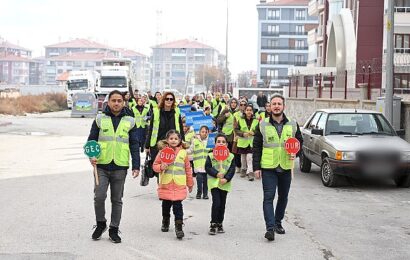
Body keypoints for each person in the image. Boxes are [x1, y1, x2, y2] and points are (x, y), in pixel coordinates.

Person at [87, 90, 140, 243]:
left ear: (123, 102)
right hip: (101, 166)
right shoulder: (99, 119)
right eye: (113, 100)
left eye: (119, 100)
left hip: (120, 166)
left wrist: (136, 165)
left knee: (117, 199)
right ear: (108, 102)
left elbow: (134, 144)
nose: (116, 103)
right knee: (99, 196)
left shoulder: (130, 121)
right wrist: (92, 156)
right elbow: (91, 141)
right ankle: (101, 223)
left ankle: (114, 229)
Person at [252, 93, 303, 241]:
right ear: (269, 107)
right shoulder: (262, 125)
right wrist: (256, 167)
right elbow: (256, 147)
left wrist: (297, 153)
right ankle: (270, 228)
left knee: (283, 197)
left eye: (279, 104)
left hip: (286, 166)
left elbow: (299, 142)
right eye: (273, 104)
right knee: (268, 197)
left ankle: (277, 222)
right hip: (268, 167)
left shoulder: (293, 124)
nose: (276, 106)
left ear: (283, 106)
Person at [152, 130, 194, 239]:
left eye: (176, 139)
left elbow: (188, 169)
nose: (173, 140)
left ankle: (179, 226)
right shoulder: (162, 152)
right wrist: (161, 167)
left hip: (179, 184)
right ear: (167, 140)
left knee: (178, 207)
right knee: (166, 205)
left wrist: (190, 183)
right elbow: (155, 166)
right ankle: (165, 221)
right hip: (166, 183)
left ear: (180, 140)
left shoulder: (183, 153)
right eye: (171, 138)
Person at [145, 92, 185, 175]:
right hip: (158, 145)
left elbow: (180, 128)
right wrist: (147, 146)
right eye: (167, 99)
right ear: (163, 100)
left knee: (171, 169)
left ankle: (168, 187)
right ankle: (161, 186)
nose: (169, 101)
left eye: (171, 99)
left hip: (173, 144)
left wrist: (182, 142)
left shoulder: (176, 112)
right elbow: (151, 129)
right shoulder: (156, 112)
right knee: (159, 170)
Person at [206, 133, 235, 235]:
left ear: (227, 144)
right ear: (214, 144)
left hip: (225, 184)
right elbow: (208, 168)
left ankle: (220, 223)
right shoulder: (210, 155)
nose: (221, 143)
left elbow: (232, 170)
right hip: (214, 183)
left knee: (222, 204)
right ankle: (213, 223)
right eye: (218, 142)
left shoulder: (231, 156)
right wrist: (216, 174)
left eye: (223, 142)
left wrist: (226, 179)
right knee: (216, 203)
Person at [235, 104, 258, 181]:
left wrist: (254, 132)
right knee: (243, 157)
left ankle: (250, 172)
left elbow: (258, 129)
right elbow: (236, 130)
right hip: (243, 142)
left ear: (252, 111)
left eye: (250, 110)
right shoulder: (240, 120)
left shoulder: (256, 120)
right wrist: (242, 134)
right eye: (247, 110)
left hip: (251, 143)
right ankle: (243, 169)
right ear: (245, 111)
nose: (249, 111)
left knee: (249, 157)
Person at [188, 126, 210, 199]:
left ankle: (205, 194)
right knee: (199, 180)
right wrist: (183, 151)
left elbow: (214, 151)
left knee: (206, 181)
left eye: (206, 132)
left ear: (208, 133)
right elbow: (190, 150)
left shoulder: (210, 141)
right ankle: (199, 192)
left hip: (207, 166)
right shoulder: (195, 141)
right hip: (198, 166)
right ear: (199, 132)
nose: (204, 133)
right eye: (202, 132)